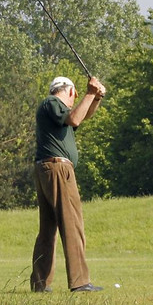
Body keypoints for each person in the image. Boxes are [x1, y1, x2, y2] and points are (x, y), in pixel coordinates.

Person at [31, 74, 106, 292]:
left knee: (48, 229)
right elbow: (74, 118)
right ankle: (80, 281)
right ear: (70, 92)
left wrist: (96, 98)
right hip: (58, 169)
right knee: (72, 224)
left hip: (46, 168)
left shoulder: (54, 111)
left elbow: (82, 117)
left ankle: (40, 283)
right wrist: (90, 92)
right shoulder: (52, 102)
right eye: (75, 96)